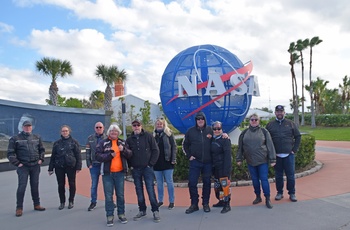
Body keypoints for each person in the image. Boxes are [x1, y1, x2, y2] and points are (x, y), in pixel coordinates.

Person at [236, 114, 276, 209]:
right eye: (252, 119)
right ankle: (258, 196)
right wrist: (239, 158)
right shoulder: (244, 133)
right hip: (250, 161)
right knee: (255, 180)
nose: (254, 121)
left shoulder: (264, 132)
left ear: (259, 121)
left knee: (264, 180)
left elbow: (270, 146)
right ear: (249, 121)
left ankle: (267, 198)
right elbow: (240, 147)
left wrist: (272, 159)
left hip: (262, 161)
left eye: (256, 120)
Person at [95, 124, 132, 227]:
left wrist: (123, 150)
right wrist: (109, 156)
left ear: (118, 132)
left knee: (120, 195)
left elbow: (130, 154)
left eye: (115, 131)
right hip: (107, 174)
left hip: (119, 173)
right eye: (112, 131)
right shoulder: (103, 143)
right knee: (108, 195)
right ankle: (109, 215)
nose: (114, 133)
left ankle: (121, 214)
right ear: (109, 133)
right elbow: (97, 156)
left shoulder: (122, 142)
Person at [7, 120, 46, 217]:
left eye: (29, 126)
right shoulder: (15, 139)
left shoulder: (37, 137)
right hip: (23, 166)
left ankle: (37, 204)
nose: (27, 128)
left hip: (35, 166)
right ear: (22, 127)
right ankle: (19, 208)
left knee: (35, 186)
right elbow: (10, 154)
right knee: (22, 187)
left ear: (31, 127)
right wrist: (17, 163)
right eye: (26, 126)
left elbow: (42, 150)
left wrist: (41, 159)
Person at [126, 119, 160, 223]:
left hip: (147, 168)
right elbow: (127, 154)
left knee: (150, 189)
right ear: (132, 127)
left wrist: (151, 164)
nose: (136, 127)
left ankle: (155, 210)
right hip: (136, 169)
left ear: (141, 126)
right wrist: (130, 166)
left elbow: (155, 150)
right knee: (139, 191)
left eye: (138, 125)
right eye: (134, 125)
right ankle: (142, 210)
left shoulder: (148, 136)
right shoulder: (129, 140)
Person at [266, 105, 301, 202]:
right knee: (278, 175)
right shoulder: (270, 125)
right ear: (275, 113)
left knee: (290, 175)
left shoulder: (290, 124)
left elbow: (298, 136)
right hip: (276, 156)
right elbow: (266, 139)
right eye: (277, 111)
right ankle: (279, 192)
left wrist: (294, 149)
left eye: (281, 111)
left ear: (284, 112)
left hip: (288, 155)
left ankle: (292, 193)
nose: (279, 113)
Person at [182, 111, 213, 214]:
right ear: (196, 121)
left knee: (207, 183)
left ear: (205, 120)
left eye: (202, 119)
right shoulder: (190, 131)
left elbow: (218, 138)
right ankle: (194, 204)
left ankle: (205, 203)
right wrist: (189, 155)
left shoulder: (210, 130)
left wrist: (225, 135)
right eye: (198, 119)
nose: (200, 120)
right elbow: (185, 145)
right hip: (195, 162)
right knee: (192, 183)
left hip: (208, 162)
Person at [48, 125, 82, 210]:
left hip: (71, 166)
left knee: (72, 183)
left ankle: (71, 201)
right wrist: (50, 168)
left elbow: (78, 155)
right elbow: (53, 156)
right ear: (61, 132)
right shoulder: (57, 143)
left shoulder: (74, 142)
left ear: (69, 132)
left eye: (66, 131)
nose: (65, 132)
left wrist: (78, 166)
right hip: (59, 166)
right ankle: (62, 202)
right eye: (63, 131)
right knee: (60, 184)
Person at [153, 117, 176, 210]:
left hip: (167, 162)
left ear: (163, 124)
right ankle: (160, 200)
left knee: (169, 182)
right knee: (159, 183)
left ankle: (171, 201)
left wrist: (173, 159)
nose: (159, 125)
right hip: (157, 163)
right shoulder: (153, 135)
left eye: (160, 124)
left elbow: (174, 147)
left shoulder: (169, 134)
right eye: (157, 124)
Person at [210, 121, 233, 214]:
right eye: (214, 129)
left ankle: (227, 204)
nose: (216, 130)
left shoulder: (225, 140)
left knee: (225, 187)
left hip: (223, 168)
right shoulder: (212, 140)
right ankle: (221, 201)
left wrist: (226, 171)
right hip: (215, 168)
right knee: (218, 187)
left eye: (218, 129)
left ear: (222, 129)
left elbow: (228, 156)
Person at [85, 121, 107, 211]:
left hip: (104, 164)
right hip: (94, 165)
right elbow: (87, 152)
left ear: (103, 128)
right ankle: (93, 202)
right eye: (97, 127)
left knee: (107, 184)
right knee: (94, 184)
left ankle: (109, 201)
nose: (98, 129)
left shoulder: (107, 138)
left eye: (100, 127)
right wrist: (88, 164)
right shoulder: (90, 138)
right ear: (95, 128)